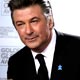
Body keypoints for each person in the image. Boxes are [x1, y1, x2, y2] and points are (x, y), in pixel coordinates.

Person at [7, 0, 80, 80]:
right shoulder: (15, 62)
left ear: (50, 22)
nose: (28, 31)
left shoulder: (77, 48)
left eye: (34, 21)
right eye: (21, 24)